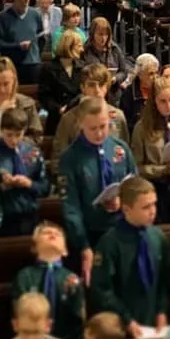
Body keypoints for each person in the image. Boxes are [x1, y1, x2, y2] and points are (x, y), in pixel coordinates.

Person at [58, 98, 137, 282]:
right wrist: (84, 246)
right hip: (91, 234)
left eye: (104, 126)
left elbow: (135, 185)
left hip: (122, 230)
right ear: (80, 124)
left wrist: (123, 201)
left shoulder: (120, 149)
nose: (100, 133)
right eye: (93, 129)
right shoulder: (70, 159)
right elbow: (71, 208)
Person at [90, 176, 170, 336]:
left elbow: (165, 279)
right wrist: (126, 320)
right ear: (126, 209)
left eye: (154, 204)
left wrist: (162, 311)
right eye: (146, 207)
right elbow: (102, 290)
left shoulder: (158, 237)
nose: (153, 211)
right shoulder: (110, 243)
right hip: (120, 325)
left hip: (153, 322)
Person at [129, 75, 170, 224]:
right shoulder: (142, 128)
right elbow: (136, 168)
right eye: (163, 101)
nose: (168, 106)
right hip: (155, 187)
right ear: (154, 102)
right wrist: (162, 170)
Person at [12, 223, 85, 339]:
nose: (52, 234)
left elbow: (78, 319)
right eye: (46, 233)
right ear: (34, 247)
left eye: (58, 234)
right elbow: (19, 311)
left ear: (65, 251)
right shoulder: (24, 276)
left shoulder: (72, 279)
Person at [0, 108, 49, 238]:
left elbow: (45, 187)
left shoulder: (33, 153)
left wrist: (29, 184)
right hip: (3, 217)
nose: (13, 140)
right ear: (1, 130)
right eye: (9, 135)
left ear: (24, 131)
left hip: (30, 214)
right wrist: (1, 186)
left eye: (18, 135)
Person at [52, 64, 129, 164]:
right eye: (91, 85)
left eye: (101, 85)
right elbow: (59, 159)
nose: (97, 90)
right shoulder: (69, 119)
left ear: (107, 87)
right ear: (83, 88)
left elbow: (125, 153)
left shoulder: (118, 116)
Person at [0, 0, 43, 85]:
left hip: (33, 64)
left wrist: (36, 53)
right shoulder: (3, 18)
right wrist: (17, 46)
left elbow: (41, 38)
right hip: (13, 65)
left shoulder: (35, 14)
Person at [39, 31, 85, 137]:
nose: (82, 49)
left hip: (78, 117)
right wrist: (58, 108)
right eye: (79, 46)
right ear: (69, 46)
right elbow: (44, 96)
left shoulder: (82, 67)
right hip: (57, 119)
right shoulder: (48, 68)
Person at [82, 17, 134, 102]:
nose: (104, 38)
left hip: (113, 95)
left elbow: (124, 71)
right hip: (94, 95)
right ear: (92, 34)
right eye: (100, 34)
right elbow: (82, 74)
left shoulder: (115, 48)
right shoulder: (85, 50)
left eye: (106, 34)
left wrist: (115, 78)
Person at [120, 52, 159, 134]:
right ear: (140, 75)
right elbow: (125, 126)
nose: (155, 77)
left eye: (156, 73)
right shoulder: (128, 95)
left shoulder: (160, 90)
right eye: (151, 74)